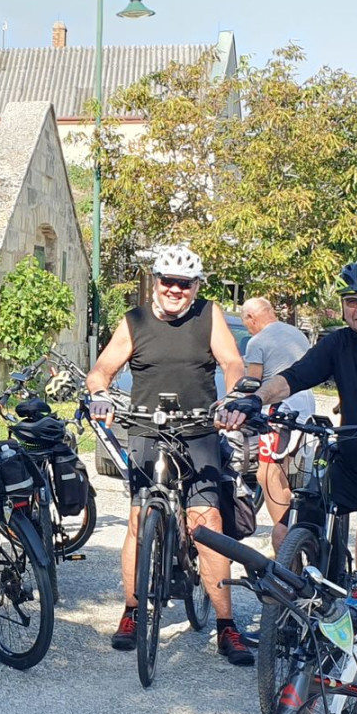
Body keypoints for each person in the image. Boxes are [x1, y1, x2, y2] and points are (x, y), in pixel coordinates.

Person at [84, 245, 252, 664]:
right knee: (139, 520)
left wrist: (234, 397)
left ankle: (226, 624)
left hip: (198, 429)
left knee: (207, 523)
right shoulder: (135, 321)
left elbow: (232, 362)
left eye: (185, 283)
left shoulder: (208, 315)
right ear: (155, 281)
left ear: (196, 286)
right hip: (146, 428)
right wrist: (100, 394)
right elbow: (101, 370)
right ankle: (132, 610)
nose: (175, 290)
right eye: (168, 281)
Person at [219, 259, 357, 572]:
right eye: (352, 301)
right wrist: (255, 400)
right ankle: (300, 591)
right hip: (348, 465)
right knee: (289, 528)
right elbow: (294, 377)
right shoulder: (338, 343)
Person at [239, 297, 313, 551]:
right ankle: (292, 529)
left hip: (280, 409)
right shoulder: (297, 334)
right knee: (283, 471)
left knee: (269, 473)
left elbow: (252, 384)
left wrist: (235, 405)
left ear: (251, 318)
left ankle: (282, 536)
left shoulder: (257, 342)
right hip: (306, 405)